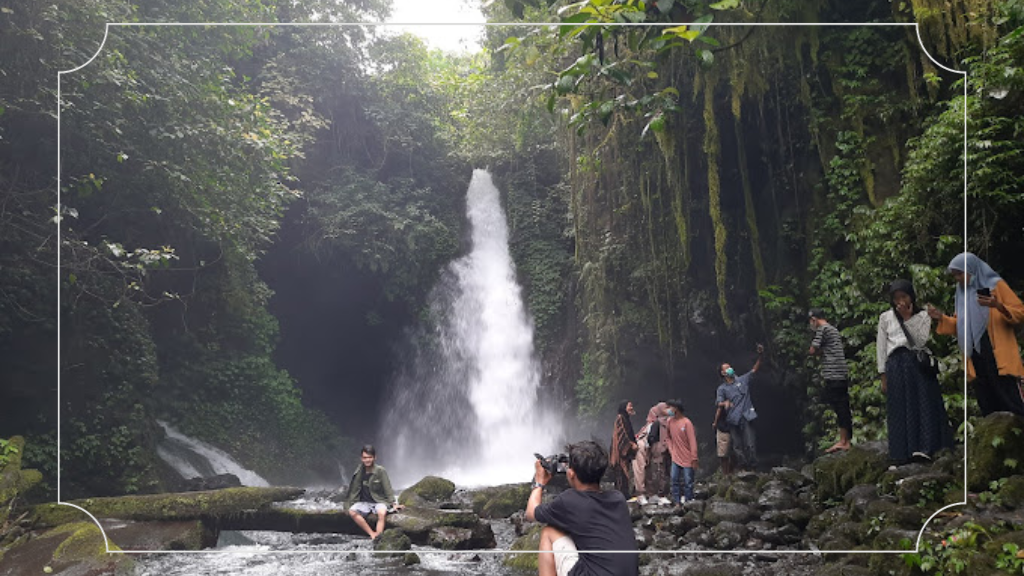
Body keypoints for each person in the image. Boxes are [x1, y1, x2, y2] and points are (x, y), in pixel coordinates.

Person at [929, 253, 1024, 416]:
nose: (958, 279)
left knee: (1008, 396)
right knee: (986, 397)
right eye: (955, 275)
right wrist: (941, 318)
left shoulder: (996, 285)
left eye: (960, 274)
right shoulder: (962, 294)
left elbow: (1020, 313)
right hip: (975, 351)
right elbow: (960, 325)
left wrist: (998, 305)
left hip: (996, 348)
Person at [526, 440, 639, 576]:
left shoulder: (569, 500)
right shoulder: (618, 499)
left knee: (549, 532)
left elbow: (530, 513)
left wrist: (539, 482)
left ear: (571, 474)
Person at [877, 280, 953, 463]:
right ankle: (901, 453)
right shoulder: (885, 317)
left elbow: (920, 342)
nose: (900, 301)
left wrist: (908, 318)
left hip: (916, 362)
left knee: (923, 403)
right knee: (899, 406)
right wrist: (882, 374)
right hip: (895, 364)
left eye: (904, 296)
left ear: (911, 296)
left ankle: (925, 447)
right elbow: (881, 347)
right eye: (896, 298)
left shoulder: (922, 315)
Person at [808, 308, 853, 453]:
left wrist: (818, 351)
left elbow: (812, 350)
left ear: (814, 319)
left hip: (833, 375)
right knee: (843, 406)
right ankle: (845, 440)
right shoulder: (833, 329)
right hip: (841, 373)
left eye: (811, 322)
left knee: (840, 407)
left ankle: (843, 441)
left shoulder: (823, 329)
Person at [715, 344, 764, 471]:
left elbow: (754, 369)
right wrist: (725, 403)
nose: (730, 369)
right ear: (723, 373)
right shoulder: (722, 389)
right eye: (727, 368)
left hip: (746, 415)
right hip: (733, 418)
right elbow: (718, 402)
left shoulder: (743, 380)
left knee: (750, 443)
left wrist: (760, 356)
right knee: (737, 446)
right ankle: (743, 466)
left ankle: (753, 467)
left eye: (730, 367)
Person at [343, 444, 403, 540]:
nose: (367, 460)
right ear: (361, 458)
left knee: (381, 513)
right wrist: (347, 505)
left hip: (379, 501)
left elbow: (387, 488)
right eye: (365, 458)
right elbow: (353, 490)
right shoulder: (359, 471)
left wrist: (394, 503)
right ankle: (372, 533)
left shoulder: (380, 471)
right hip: (364, 502)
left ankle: (379, 537)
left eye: (370, 457)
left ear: (375, 457)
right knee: (352, 511)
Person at [663, 399, 698, 504]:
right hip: (675, 456)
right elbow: (667, 437)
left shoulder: (687, 423)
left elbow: (692, 441)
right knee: (674, 480)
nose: (668, 410)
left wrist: (694, 458)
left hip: (688, 457)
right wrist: (671, 449)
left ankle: (688, 502)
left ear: (676, 409)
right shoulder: (670, 421)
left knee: (688, 482)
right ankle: (677, 502)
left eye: (670, 408)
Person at [609, 400, 638, 500]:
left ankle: (624, 495)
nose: (631, 408)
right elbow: (622, 434)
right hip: (619, 453)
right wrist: (630, 444)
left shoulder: (626, 418)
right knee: (621, 475)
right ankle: (621, 496)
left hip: (624, 453)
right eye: (629, 406)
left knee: (624, 475)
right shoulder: (620, 418)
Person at [710, 402, 733, 475]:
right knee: (724, 454)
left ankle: (727, 473)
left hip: (727, 428)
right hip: (725, 428)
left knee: (725, 454)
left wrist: (715, 423)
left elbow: (719, 410)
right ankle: (726, 473)